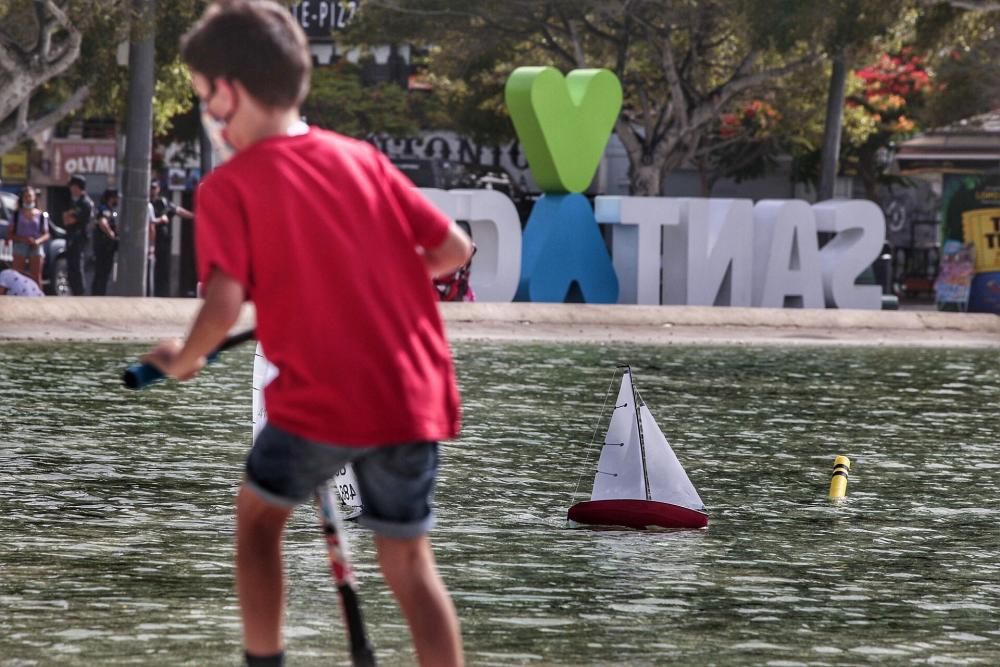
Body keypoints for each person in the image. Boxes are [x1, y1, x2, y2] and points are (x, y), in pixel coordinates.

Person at [142, 3, 472, 666]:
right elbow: (453, 249)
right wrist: (359, 286)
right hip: (413, 397)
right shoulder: (364, 160)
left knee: (258, 520)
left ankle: (264, 660)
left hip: (325, 400)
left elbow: (224, 301)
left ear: (228, 93)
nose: (208, 111)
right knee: (410, 562)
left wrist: (186, 357)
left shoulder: (229, 187)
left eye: (206, 97)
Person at [149, 179, 194, 296]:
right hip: (149, 242)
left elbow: (177, 210)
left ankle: (161, 295)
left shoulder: (163, 202)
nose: (152, 191)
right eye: (151, 188)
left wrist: (194, 216)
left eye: (154, 188)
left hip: (162, 241)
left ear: (158, 189)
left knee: (163, 270)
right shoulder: (146, 203)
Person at [8, 186, 51, 289]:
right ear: (22, 198)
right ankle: (17, 293)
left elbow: (46, 234)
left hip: (36, 246)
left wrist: (37, 241)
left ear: (34, 198)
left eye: (30, 196)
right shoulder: (16, 215)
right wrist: (23, 239)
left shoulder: (41, 215)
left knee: (36, 275)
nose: (28, 199)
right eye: (25, 196)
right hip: (20, 245)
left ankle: (37, 296)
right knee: (17, 274)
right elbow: (9, 234)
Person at [62, 174, 93, 295]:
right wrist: (69, 214)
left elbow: (70, 220)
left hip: (79, 238)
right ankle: (74, 292)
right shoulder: (74, 202)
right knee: (71, 267)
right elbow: (65, 219)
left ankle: (79, 293)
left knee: (76, 266)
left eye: (73, 186)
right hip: (71, 237)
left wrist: (69, 215)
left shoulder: (85, 203)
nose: (71, 189)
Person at [91, 188, 120, 296]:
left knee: (103, 273)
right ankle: (98, 295)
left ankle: (99, 294)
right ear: (111, 198)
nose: (118, 200)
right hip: (104, 247)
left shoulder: (111, 210)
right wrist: (111, 235)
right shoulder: (105, 209)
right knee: (101, 273)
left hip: (106, 248)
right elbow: (102, 222)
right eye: (116, 198)